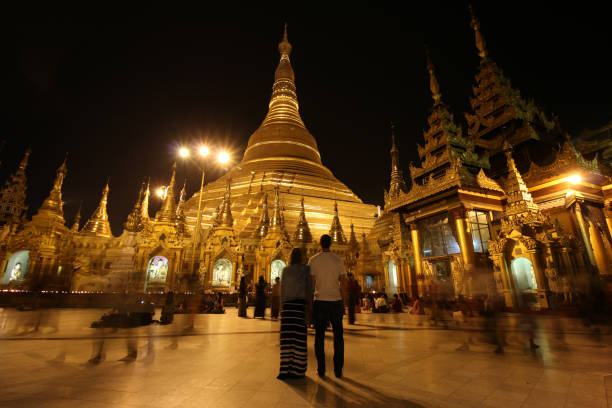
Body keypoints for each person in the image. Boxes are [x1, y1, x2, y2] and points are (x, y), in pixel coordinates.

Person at [309, 234, 346, 378]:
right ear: (331, 243)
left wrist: (310, 303)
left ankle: (321, 369)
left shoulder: (313, 260)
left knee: (319, 336)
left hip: (320, 301)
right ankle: (338, 369)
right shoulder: (338, 260)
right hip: (335, 301)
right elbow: (343, 284)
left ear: (320, 243)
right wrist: (344, 302)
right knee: (338, 337)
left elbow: (311, 284)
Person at [277, 248, 313, 380]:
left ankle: (285, 369)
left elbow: (283, 290)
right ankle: (298, 370)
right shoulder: (306, 270)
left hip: (288, 308)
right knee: (299, 339)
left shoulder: (286, 270)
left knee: (287, 339)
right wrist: (310, 307)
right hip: (299, 307)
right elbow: (309, 289)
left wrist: (282, 308)